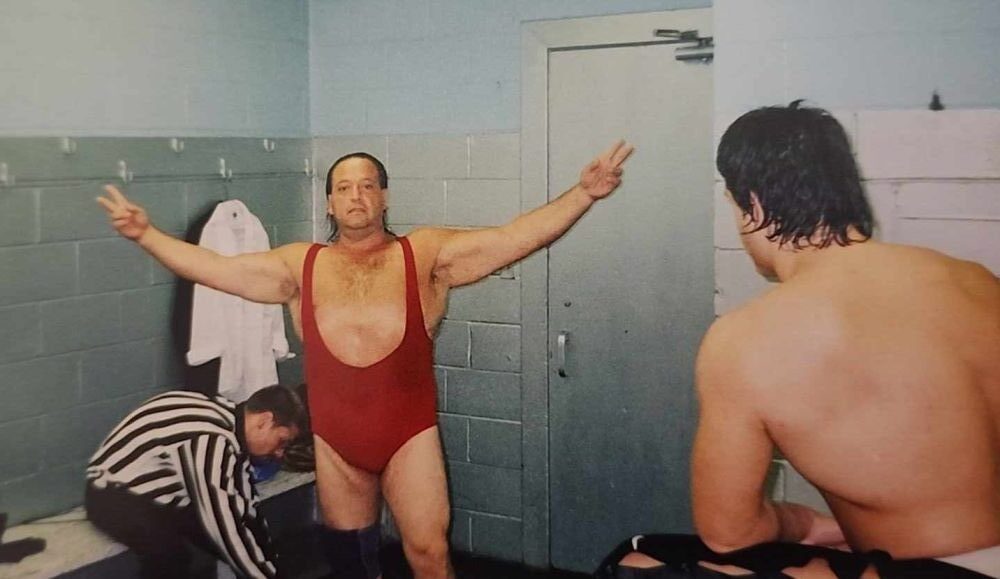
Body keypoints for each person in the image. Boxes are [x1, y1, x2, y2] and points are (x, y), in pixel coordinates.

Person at [97, 140, 634, 579]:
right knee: (350, 561)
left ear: (384, 198)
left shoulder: (425, 255)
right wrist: (146, 235)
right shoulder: (296, 266)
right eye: (343, 188)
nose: (355, 197)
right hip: (337, 446)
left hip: (409, 438)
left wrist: (583, 194)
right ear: (329, 203)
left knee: (428, 554)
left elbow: (514, 237)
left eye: (367, 186)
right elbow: (211, 267)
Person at [609, 102, 1000, 578]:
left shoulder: (744, 338)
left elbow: (729, 533)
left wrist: (806, 525)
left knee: (633, 561)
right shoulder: (976, 281)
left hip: (938, 571)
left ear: (751, 205)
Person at [85, 385, 306, 579]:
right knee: (170, 556)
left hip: (163, 494)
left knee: (239, 543)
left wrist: (273, 564)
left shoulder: (230, 423)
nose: (280, 453)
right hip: (111, 493)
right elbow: (226, 528)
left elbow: (246, 508)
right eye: (281, 441)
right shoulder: (211, 439)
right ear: (264, 421)